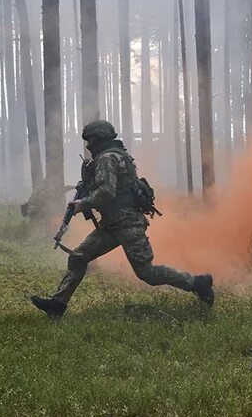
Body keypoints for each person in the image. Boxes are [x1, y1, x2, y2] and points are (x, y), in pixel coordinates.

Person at [30, 120, 214, 318]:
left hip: (127, 224)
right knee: (78, 258)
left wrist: (83, 203)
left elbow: (106, 192)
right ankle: (56, 306)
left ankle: (198, 283)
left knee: (147, 273)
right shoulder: (117, 156)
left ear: (99, 139)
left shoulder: (107, 158)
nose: (89, 145)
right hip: (112, 224)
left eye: (91, 140)